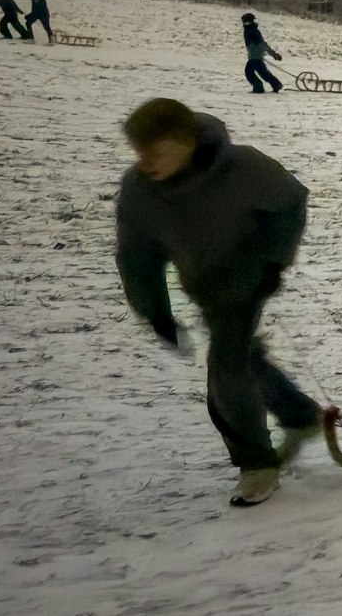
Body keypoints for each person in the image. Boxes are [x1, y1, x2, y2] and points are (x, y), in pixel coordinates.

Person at [114, 99, 320, 507]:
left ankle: (257, 465)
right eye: (139, 152)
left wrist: (273, 259)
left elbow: (291, 201)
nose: (146, 161)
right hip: (203, 286)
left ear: (188, 140)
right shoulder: (141, 190)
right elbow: (137, 255)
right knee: (240, 356)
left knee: (225, 367)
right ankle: (299, 414)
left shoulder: (243, 167)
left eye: (156, 150)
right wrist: (154, 309)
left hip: (247, 280)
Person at [241, 13, 283, 94]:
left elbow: (261, 44)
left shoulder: (251, 30)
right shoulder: (251, 29)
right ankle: (276, 85)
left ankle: (259, 87)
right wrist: (273, 54)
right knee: (262, 72)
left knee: (249, 72)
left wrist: (272, 54)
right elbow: (263, 44)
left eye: (244, 21)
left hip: (255, 55)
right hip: (255, 54)